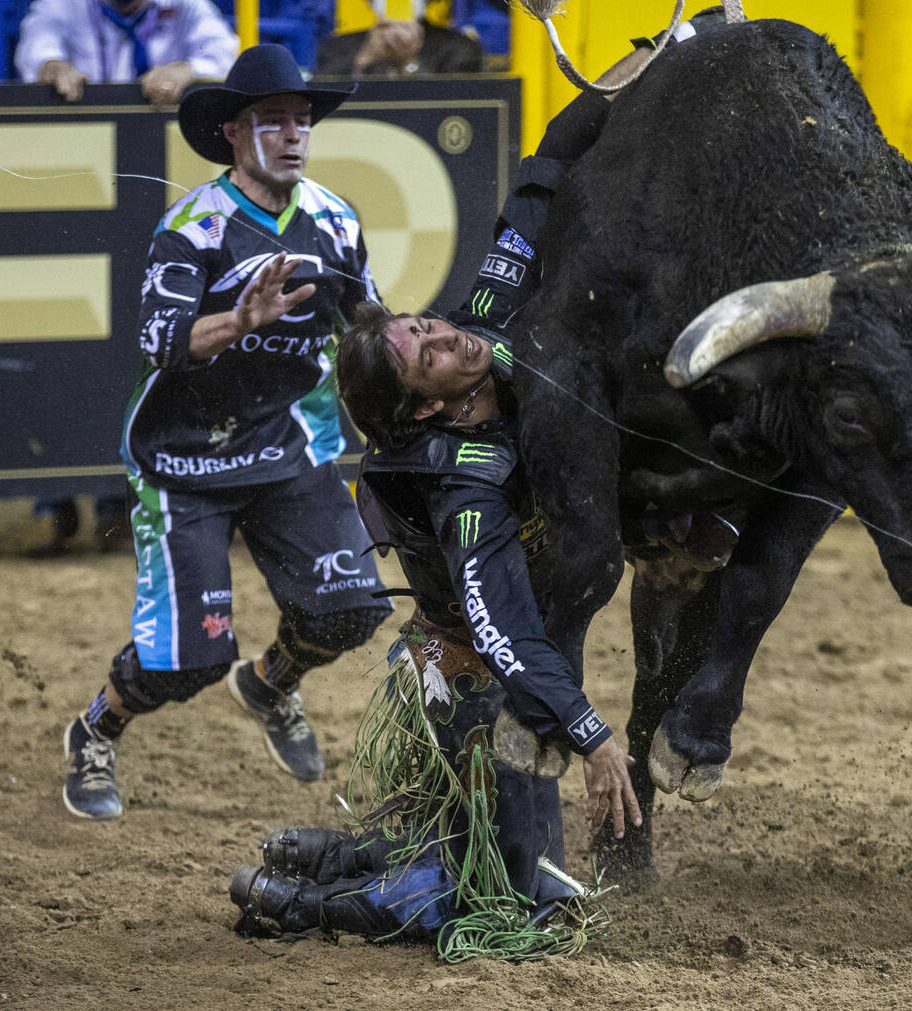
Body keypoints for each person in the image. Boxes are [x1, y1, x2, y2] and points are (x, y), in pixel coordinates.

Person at [228, 53, 656, 954]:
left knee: (499, 863)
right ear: (427, 403)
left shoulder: (489, 317)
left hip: (484, 658)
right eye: (428, 351)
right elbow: (501, 630)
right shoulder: (466, 484)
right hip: (468, 675)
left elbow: (538, 180)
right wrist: (591, 737)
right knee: (521, 900)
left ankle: (326, 856)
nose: (447, 334)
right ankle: (313, 899)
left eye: (425, 324)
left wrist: (664, 56)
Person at [61, 43, 393, 821]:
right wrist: (237, 320)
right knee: (191, 660)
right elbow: (157, 340)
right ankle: (93, 730)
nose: (292, 134)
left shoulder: (335, 220)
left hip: (286, 445)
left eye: (301, 120)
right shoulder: (194, 226)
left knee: (348, 610)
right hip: (181, 459)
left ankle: (271, 681)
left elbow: (368, 325)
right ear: (235, 135)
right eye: (272, 121)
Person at [14, 0, 238, 105]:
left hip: (159, 122)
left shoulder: (185, 5)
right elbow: (37, 41)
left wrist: (188, 70)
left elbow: (224, 51)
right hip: (86, 129)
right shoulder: (63, 4)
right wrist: (51, 65)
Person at [315, 1, 485, 78]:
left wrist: (409, 65)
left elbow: (456, 108)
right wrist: (363, 61)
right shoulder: (336, 47)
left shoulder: (461, 49)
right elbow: (323, 103)